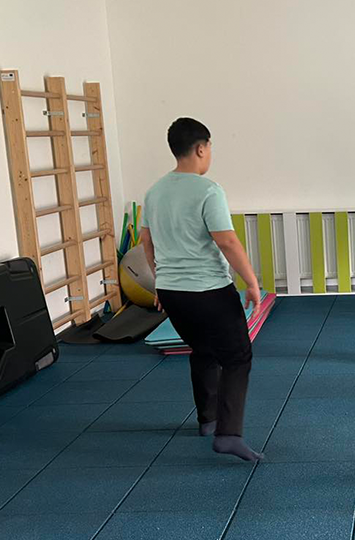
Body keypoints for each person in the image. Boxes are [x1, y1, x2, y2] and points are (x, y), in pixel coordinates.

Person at [142, 118, 263, 461]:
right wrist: (251, 282)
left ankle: (208, 420)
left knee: (203, 350)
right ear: (200, 148)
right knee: (237, 357)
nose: (210, 153)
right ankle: (229, 434)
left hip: (171, 292)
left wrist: (160, 281)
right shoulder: (208, 190)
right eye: (209, 148)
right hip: (208, 291)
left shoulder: (154, 192)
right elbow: (226, 241)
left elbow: (147, 242)